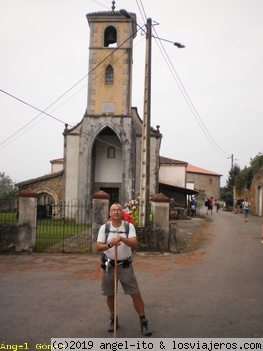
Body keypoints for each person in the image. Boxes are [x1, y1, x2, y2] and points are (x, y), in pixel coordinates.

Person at [96, 203, 152, 336]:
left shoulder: (128, 227)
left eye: (118, 210)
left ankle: (143, 321)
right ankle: (113, 319)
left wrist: (122, 239)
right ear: (110, 213)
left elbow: (134, 243)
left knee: (135, 293)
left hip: (125, 266)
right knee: (110, 294)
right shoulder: (105, 228)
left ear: (122, 213)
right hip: (109, 265)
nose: (116, 212)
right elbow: (98, 247)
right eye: (113, 210)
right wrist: (110, 244)